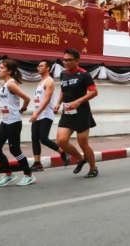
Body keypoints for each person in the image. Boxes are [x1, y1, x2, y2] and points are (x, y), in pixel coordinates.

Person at [55, 48, 99, 178]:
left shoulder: (84, 75)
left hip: (81, 113)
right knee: (61, 141)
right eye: (64, 60)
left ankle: (93, 168)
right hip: (67, 112)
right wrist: (58, 103)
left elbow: (94, 92)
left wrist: (80, 101)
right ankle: (80, 159)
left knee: (82, 143)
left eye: (69, 60)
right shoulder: (63, 74)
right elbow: (63, 90)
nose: (66, 62)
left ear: (77, 61)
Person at [0, 59, 34, 187]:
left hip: (14, 121)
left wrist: (22, 110)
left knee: (15, 150)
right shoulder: (4, 84)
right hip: (5, 120)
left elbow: (27, 98)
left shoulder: (11, 84)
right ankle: (9, 175)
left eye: (2, 68)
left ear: (9, 71)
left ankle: (29, 176)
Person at [28, 60, 70, 172]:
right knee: (34, 138)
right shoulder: (40, 82)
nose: (39, 68)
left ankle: (63, 153)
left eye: (41, 66)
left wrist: (37, 113)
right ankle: (37, 163)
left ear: (48, 68)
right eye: (38, 66)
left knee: (44, 139)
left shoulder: (49, 81)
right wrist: (35, 113)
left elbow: (46, 100)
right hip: (37, 113)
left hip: (46, 114)